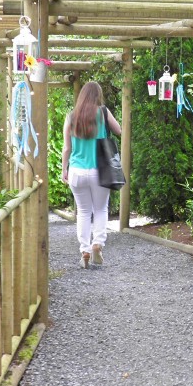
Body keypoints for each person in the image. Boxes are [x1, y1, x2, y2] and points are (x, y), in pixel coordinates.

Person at [61, 81, 122, 269]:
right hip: (99, 169)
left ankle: (85, 250)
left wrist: (64, 169)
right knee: (101, 209)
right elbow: (119, 131)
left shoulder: (72, 116)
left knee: (84, 211)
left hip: (77, 171)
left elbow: (66, 148)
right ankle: (98, 244)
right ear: (98, 96)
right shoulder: (103, 112)